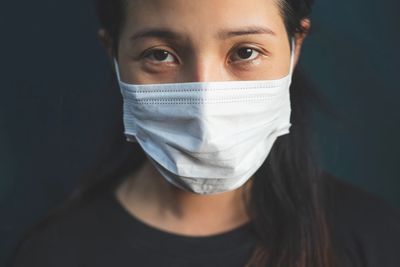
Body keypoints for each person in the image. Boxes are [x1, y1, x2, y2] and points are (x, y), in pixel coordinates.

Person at [8, 0, 400, 266]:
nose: (205, 103)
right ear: (113, 54)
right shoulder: (54, 253)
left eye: (245, 52)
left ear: (295, 47)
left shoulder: (375, 239)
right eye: (160, 54)